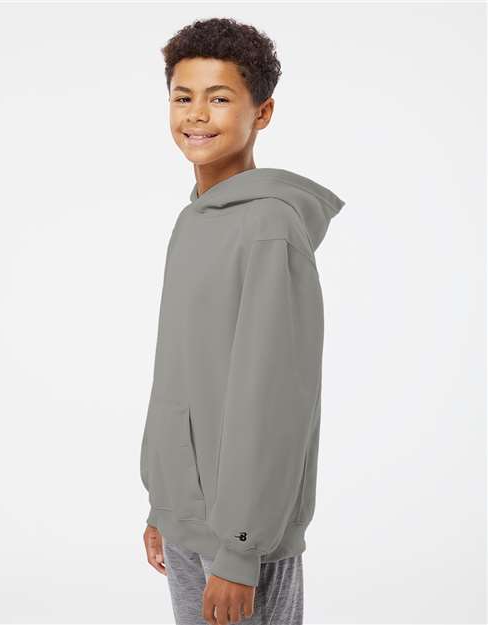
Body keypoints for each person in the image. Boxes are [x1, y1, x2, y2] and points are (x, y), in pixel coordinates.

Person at [140, 16, 345, 625]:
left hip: (242, 540)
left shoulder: (269, 227)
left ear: (263, 112)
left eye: (220, 98)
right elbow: (181, 376)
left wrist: (240, 548)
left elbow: (272, 398)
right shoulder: (193, 221)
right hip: (187, 523)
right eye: (183, 97)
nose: (197, 115)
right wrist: (163, 507)